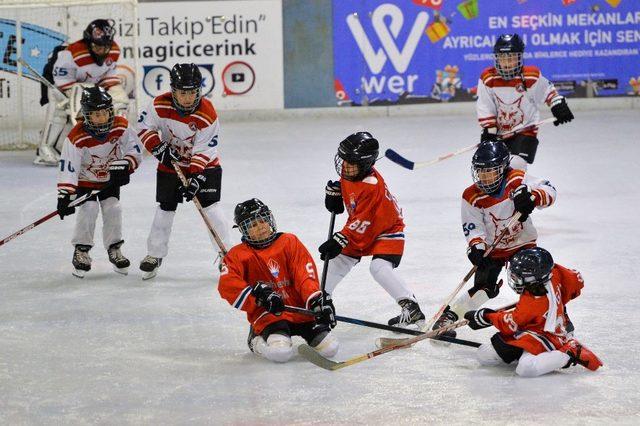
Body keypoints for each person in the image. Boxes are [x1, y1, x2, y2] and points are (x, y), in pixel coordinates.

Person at [432, 140, 556, 336]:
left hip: (522, 244)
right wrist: (476, 246)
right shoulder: (471, 196)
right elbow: (473, 226)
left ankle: (548, 316)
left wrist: (533, 196)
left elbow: (550, 190)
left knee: (532, 279)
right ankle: (449, 317)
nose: (484, 177)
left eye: (490, 171)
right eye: (480, 172)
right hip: (493, 248)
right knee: (485, 286)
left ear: (503, 169)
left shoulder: (518, 180)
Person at [320, 131, 425, 328]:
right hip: (363, 226)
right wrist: (336, 196)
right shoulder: (351, 171)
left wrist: (339, 239)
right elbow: (353, 207)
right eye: (344, 159)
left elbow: (361, 221)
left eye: (350, 162)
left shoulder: (371, 186)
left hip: (387, 229)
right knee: (338, 259)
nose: (345, 165)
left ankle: (411, 308)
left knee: (379, 268)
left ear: (366, 164)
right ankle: (321, 299)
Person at [136, 63, 230, 280]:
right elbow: (143, 127)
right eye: (182, 92)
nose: (187, 98)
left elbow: (205, 148)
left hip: (206, 165)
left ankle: (227, 254)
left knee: (211, 207)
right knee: (165, 208)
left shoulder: (207, 113)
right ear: (173, 90)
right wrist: (158, 148)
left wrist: (196, 176)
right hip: (171, 164)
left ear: (199, 90)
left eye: (192, 92)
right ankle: (154, 254)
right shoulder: (159, 105)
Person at [218, 198, 338, 363]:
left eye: (262, 221)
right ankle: (255, 341)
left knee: (330, 349)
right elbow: (227, 285)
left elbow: (304, 274)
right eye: (252, 225)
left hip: (300, 310)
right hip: (270, 314)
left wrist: (317, 301)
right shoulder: (237, 255)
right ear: (242, 230)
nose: (260, 227)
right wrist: (258, 297)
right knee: (280, 354)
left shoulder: (289, 242)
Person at [464, 247, 602, 377]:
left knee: (526, 368)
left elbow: (512, 323)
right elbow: (576, 281)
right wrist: (555, 306)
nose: (515, 279)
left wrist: (486, 316)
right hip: (543, 326)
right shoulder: (553, 271)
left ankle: (568, 353)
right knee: (484, 354)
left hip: (548, 334)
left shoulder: (533, 300)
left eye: (518, 277)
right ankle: (528, 353)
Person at [56, 86, 142, 278]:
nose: (102, 118)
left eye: (105, 112)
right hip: (86, 182)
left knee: (113, 207)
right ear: (87, 115)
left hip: (109, 181)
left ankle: (114, 248)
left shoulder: (121, 126)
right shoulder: (77, 136)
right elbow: (69, 168)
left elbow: (135, 150)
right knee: (88, 209)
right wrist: (65, 195)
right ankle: (82, 250)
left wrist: (126, 165)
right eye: (96, 114)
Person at [36, 19, 131, 166]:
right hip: (62, 88)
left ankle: (115, 143)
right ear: (88, 42)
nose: (102, 50)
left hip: (92, 87)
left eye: (105, 46)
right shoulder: (71, 53)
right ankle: (45, 149)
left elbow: (108, 75)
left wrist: (105, 93)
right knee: (60, 111)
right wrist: (87, 94)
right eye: (97, 46)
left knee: (120, 99)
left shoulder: (114, 50)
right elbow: (62, 82)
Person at [476, 33, 574, 170]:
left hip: (526, 131)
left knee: (516, 165)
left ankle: (521, 189)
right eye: (503, 58)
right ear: (496, 58)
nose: (507, 63)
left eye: (512, 58)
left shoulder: (531, 76)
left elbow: (548, 90)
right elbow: (485, 105)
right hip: (499, 133)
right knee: (494, 168)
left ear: (520, 58)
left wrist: (558, 105)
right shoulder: (488, 77)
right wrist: (490, 130)